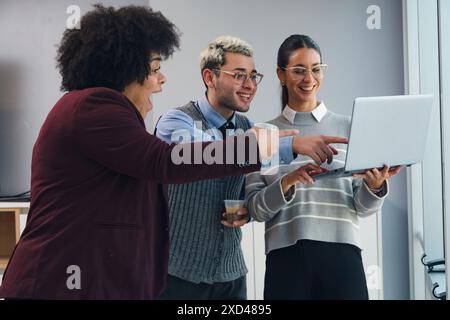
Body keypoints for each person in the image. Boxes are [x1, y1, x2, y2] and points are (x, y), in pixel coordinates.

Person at [0, 5, 290, 300]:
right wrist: (251, 147)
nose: (161, 80)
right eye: (154, 69)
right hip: (60, 283)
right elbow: (165, 160)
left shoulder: (93, 107)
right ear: (124, 69)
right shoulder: (95, 107)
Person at [155, 36, 348, 300]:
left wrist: (256, 205)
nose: (249, 85)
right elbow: (203, 156)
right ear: (209, 78)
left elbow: (254, 200)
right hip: (176, 275)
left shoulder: (249, 128)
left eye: (253, 76)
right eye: (238, 76)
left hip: (230, 278)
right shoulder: (178, 121)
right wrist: (290, 145)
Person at [245, 34, 402, 300]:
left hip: (343, 257)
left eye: (316, 69)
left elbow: (362, 207)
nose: (309, 79)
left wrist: (375, 187)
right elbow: (255, 209)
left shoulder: (350, 128)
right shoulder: (264, 134)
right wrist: (287, 182)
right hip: (286, 261)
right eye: (299, 70)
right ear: (280, 74)